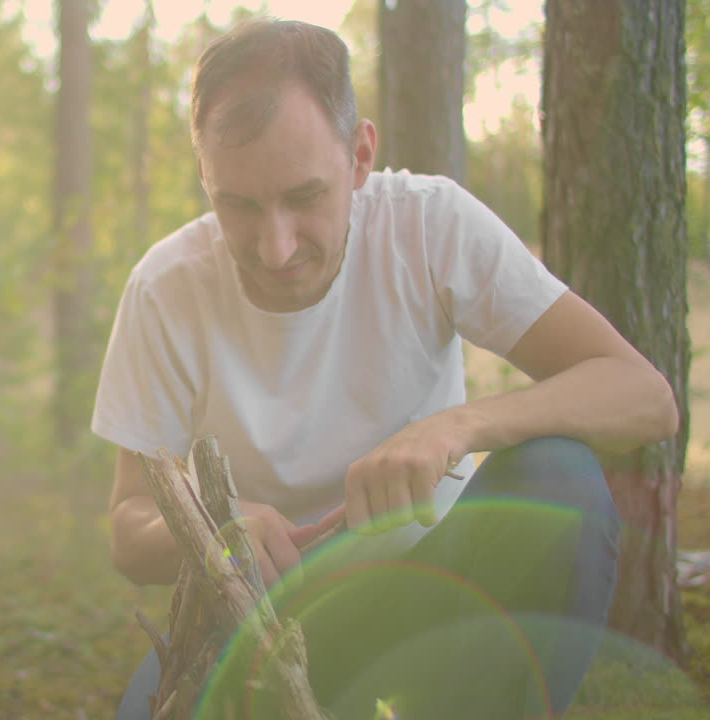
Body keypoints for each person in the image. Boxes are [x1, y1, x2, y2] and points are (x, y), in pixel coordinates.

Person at [91, 17, 679, 720]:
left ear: (360, 155)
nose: (275, 247)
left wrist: (458, 426)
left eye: (305, 197)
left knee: (561, 478)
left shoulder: (431, 228)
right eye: (238, 205)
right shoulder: (166, 288)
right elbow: (128, 527)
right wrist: (215, 538)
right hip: (258, 618)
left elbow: (645, 397)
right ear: (205, 176)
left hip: (436, 595)